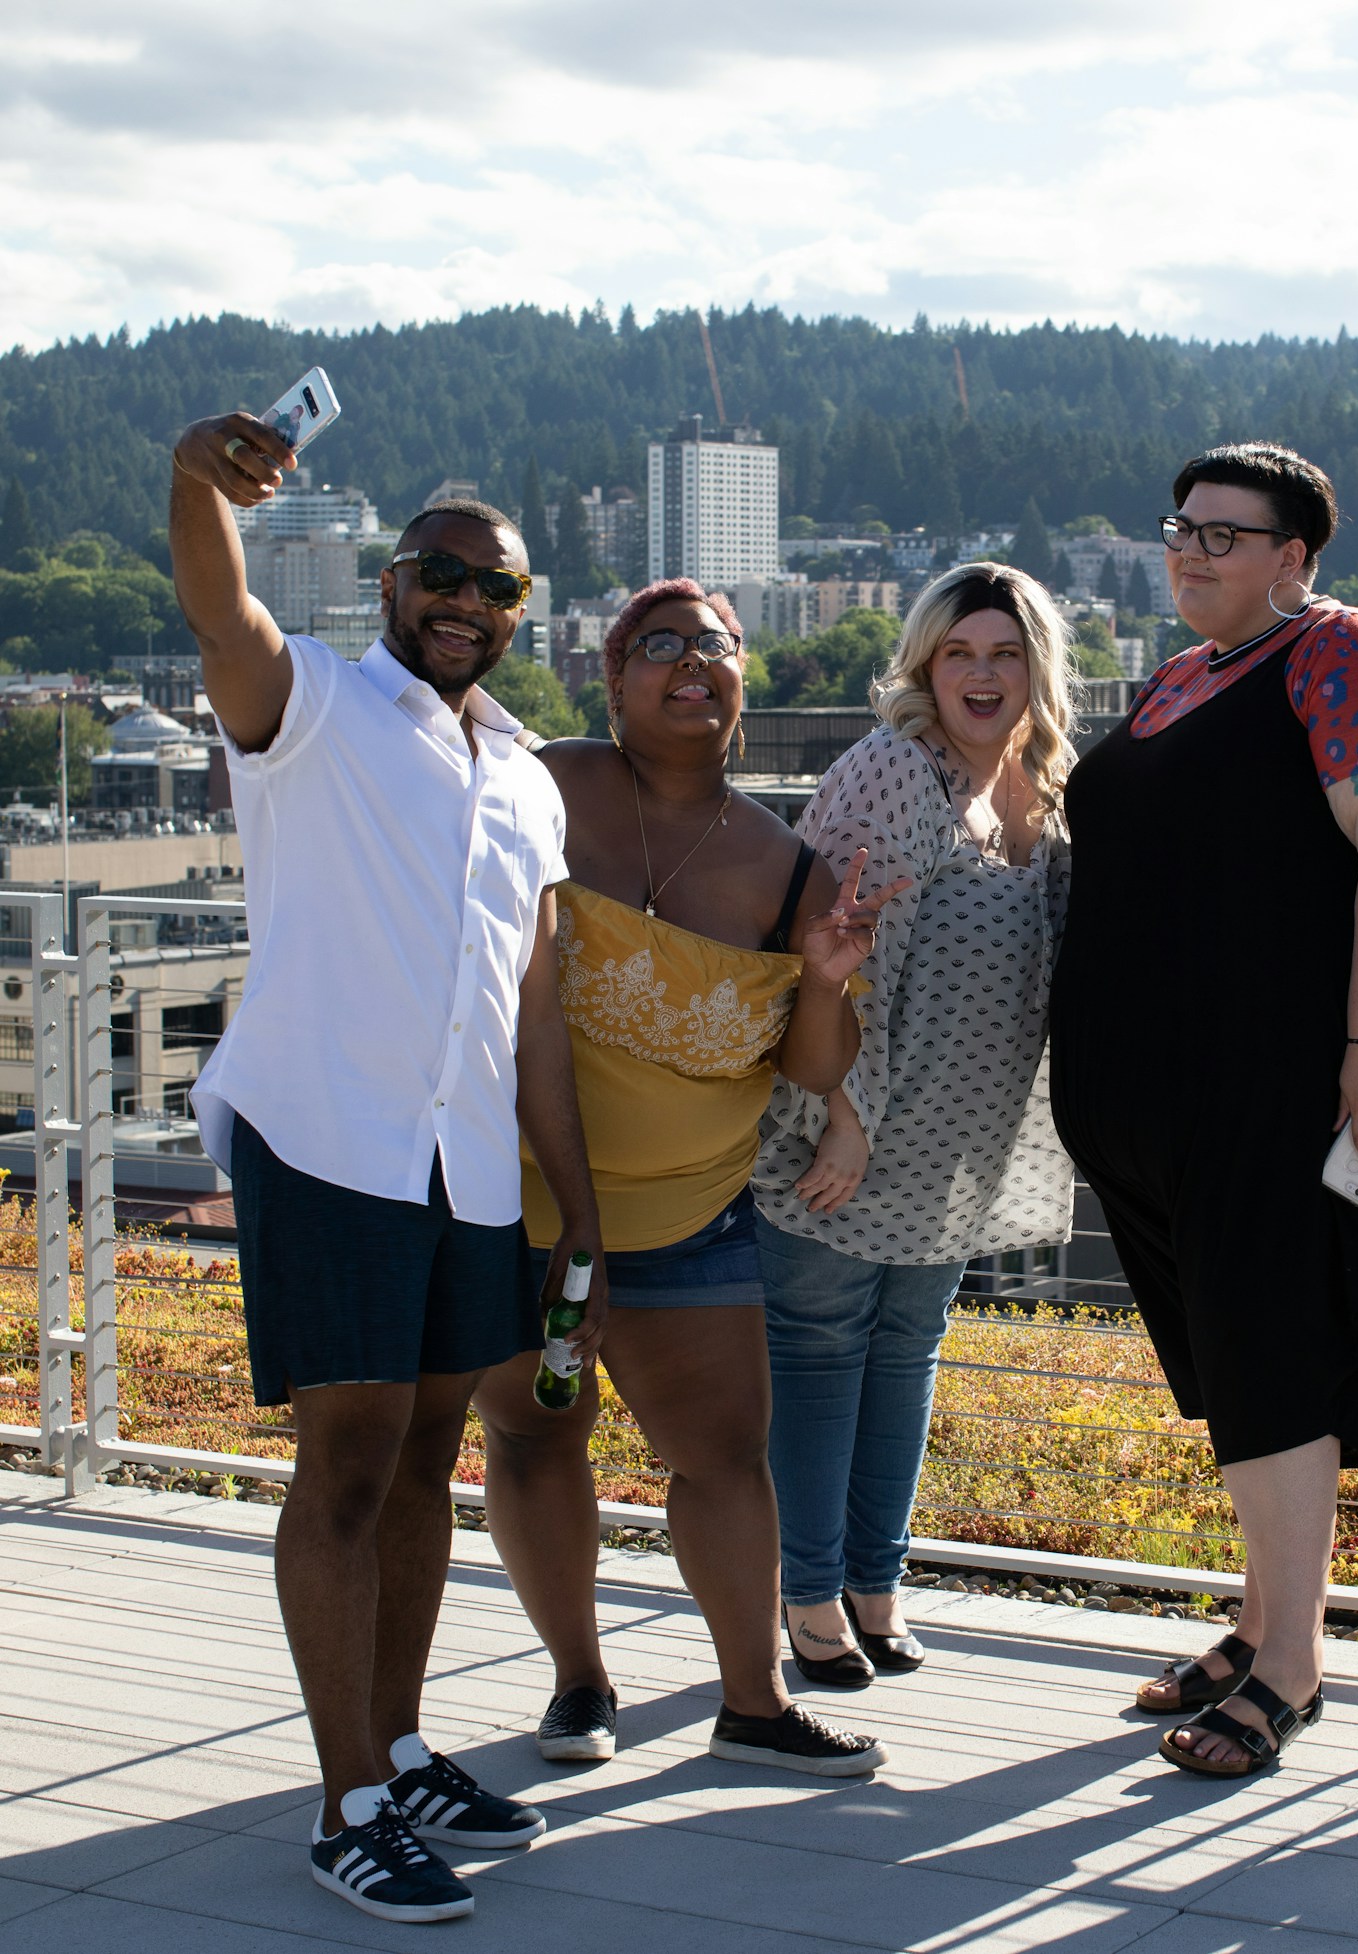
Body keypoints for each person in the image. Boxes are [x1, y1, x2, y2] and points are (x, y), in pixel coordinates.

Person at [172, 411, 606, 1926]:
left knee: (430, 1460)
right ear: (387, 583)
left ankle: (403, 1747)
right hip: (330, 1139)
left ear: (519, 614)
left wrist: (578, 1203)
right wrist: (193, 485)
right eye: (438, 573)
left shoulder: (530, 779)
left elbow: (534, 1011)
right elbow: (220, 607)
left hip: (472, 1170)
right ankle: (347, 1801)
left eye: (496, 590)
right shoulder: (310, 710)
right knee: (346, 1469)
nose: (464, 602)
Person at [1051, 441, 1358, 1778]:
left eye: (1228, 535)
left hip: (1282, 1078)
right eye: (1182, 527)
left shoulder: (1340, 650)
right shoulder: (1182, 678)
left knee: (1274, 1347)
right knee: (1235, 1355)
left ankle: (1292, 1660)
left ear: (1294, 557)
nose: (1192, 550)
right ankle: (1261, 1617)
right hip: (1165, 1100)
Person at [474, 578, 899, 1778]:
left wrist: (823, 979)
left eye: (714, 646)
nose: (690, 664)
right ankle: (579, 1683)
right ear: (611, 680)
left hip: (689, 1214)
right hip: (516, 1202)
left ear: (742, 686)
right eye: (657, 646)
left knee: (723, 1454)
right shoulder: (539, 788)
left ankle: (753, 1700)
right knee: (532, 1433)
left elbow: (817, 1066)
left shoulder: (789, 865)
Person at [754, 562, 1077, 1685]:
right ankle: (807, 1599)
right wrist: (842, 1118)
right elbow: (838, 958)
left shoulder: (1043, 789)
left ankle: (875, 1585)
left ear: (1040, 666)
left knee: (904, 1362)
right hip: (849, 1134)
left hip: (953, 1154)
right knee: (820, 1357)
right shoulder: (897, 772)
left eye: (1004, 653)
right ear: (924, 666)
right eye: (957, 653)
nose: (981, 675)